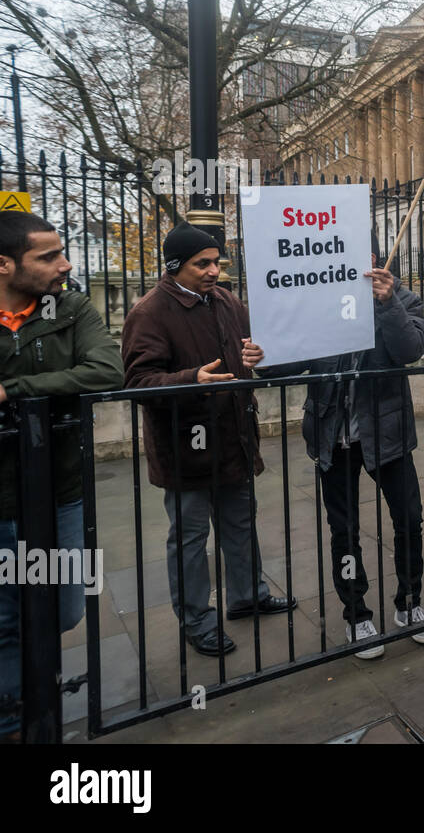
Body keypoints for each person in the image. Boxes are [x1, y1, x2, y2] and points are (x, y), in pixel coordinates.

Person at [258, 234, 424, 657]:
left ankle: (409, 603)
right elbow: (288, 361)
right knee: (345, 531)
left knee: (409, 519)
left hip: (387, 433)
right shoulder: (318, 305)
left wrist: (387, 303)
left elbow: (410, 350)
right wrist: (260, 357)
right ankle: (357, 615)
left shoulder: (404, 299)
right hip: (333, 437)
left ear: (373, 258)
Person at [122, 224, 292, 658]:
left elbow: (255, 350)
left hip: (233, 438)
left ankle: (247, 596)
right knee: (190, 538)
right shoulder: (151, 311)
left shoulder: (227, 301)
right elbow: (139, 381)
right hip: (185, 450)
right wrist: (190, 381)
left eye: (217, 262)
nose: (214, 271)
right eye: (203, 264)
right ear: (176, 266)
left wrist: (260, 356)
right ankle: (197, 620)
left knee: (239, 523)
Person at [0, 212, 124, 739]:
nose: (64, 263)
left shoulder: (70, 307)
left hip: (60, 489)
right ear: (4, 265)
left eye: (62, 251)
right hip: (2, 498)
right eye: (47, 256)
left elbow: (106, 370)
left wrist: (13, 391)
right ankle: (21, 715)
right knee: (7, 617)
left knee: (65, 605)